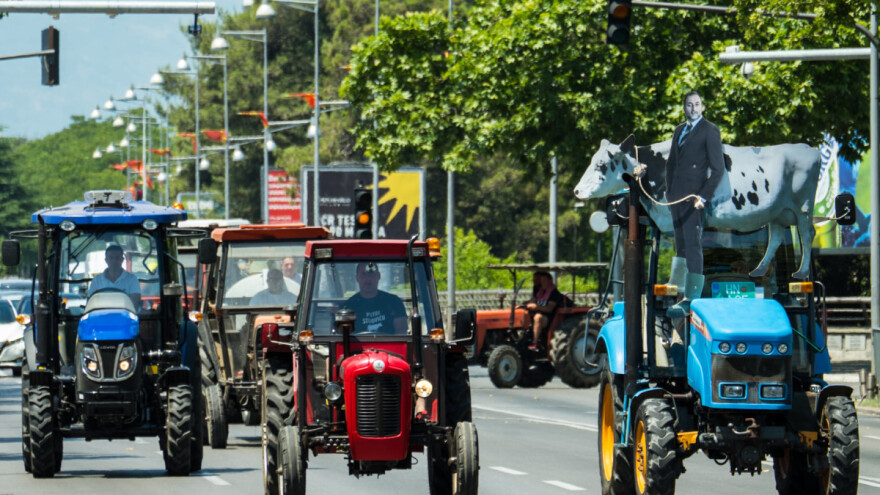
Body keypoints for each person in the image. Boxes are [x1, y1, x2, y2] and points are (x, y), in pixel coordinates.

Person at [664, 91, 725, 316]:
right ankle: (679, 291)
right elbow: (671, 163)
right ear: (684, 107)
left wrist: (704, 196)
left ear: (703, 107)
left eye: (697, 104)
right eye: (689, 105)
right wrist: (669, 193)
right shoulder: (679, 130)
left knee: (692, 244)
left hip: (694, 198)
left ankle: (692, 296)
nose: (693, 109)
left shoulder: (710, 130)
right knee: (679, 244)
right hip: (676, 197)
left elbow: (718, 169)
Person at [343, 262, 407, 334]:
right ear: (357, 277)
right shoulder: (347, 307)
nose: (368, 278)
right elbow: (344, 336)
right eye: (363, 274)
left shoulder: (394, 302)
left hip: (389, 345)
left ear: (378, 276)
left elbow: (401, 332)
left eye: (371, 273)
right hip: (357, 345)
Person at [524, 271, 564, 350]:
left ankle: (534, 343)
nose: (541, 283)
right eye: (541, 281)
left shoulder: (554, 293)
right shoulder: (541, 291)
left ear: (550, 281)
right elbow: (534, 300)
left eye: (543, 281)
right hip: (539, 312)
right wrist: (526, 304)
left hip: (550, 317)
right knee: (524, 314)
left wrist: (536, 307)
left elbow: (549, 309)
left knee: (538, 317)